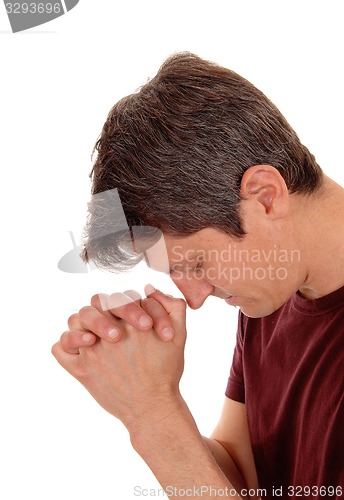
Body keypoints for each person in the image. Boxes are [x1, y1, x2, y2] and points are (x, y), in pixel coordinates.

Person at [52, 53, 344, 499]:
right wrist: (149, 392)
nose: (193, 298)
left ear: (265, 197)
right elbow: (245, 479)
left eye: (195, 265)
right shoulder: (273, 294)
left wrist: (152, 417)